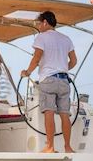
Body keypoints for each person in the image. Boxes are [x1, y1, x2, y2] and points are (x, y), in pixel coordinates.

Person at [21, 11, 77, 153]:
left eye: (39, 24)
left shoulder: (42, 37)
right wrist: (63, 68)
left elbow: (36, 58)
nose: (38, 27)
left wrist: (27, 72)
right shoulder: (66, 39)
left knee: (49, 113)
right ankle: (68, 147)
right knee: (65, 114)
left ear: (45, 22)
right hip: (64, 80)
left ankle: (50, 147)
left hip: (48, 79)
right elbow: (74, 61)